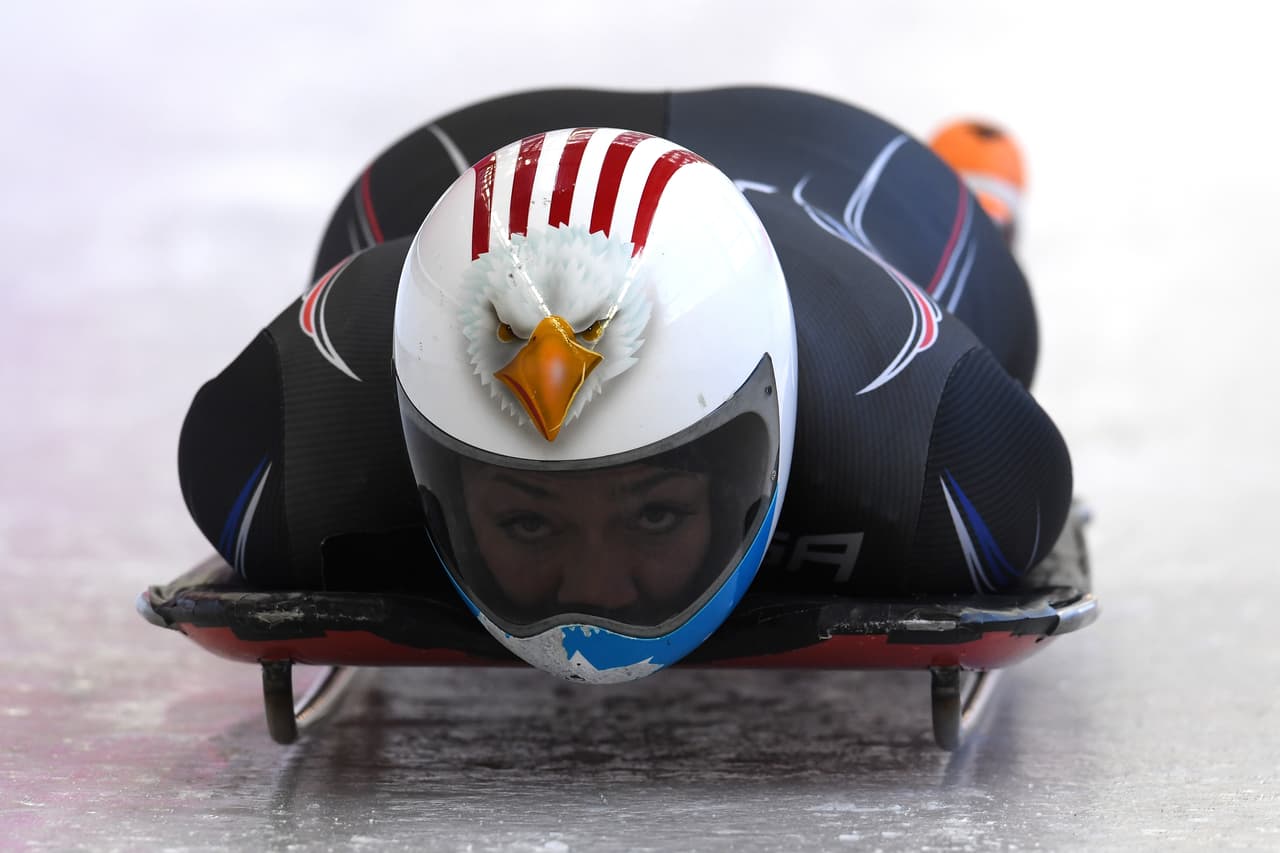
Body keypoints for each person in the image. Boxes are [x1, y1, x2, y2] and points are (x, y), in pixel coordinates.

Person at [176, 87, 1071, 682]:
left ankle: (977, 193)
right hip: (439, 187)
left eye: (653, 511)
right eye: (526, 516)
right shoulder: (281, 436)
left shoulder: (945, 446)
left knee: (993, 308)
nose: (595, 588)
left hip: (849, 177)